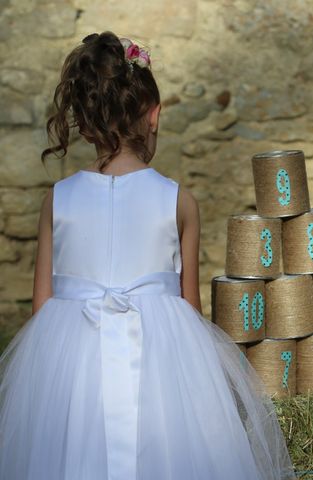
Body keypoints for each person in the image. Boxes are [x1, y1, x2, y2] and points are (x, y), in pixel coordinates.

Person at [0, 31, 295, 480]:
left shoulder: (56, 200)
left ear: (84, 121)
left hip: (72, 367)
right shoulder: (179, 201)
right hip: (162, 362)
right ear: (154, 116)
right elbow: (190, 308)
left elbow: (42, 309)